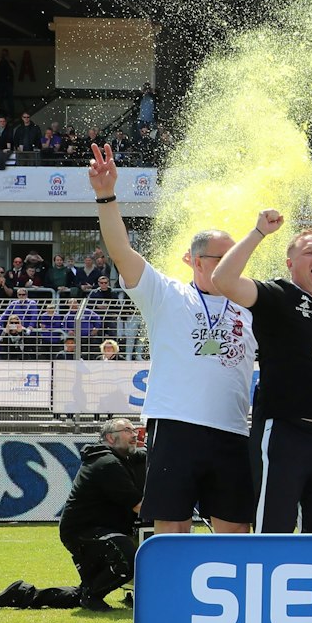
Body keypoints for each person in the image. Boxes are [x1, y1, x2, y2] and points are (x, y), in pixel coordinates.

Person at [89, 145, 254, 536]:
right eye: (220, 257)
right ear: (194, 260)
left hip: (232, 427)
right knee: (173, 523)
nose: (232, 264)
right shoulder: (166, 293)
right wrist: (106, 196)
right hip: (177, 423)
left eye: (236, 257)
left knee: (235, 528)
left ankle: (229, 596)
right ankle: (174, 595)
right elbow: (121, 251)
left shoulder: (250, 301)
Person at [210, 214, 312, 534]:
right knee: (274, 531)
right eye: (309, 252)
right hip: (285, 431)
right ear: (290, 264)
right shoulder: (278, 295)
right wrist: (258, 231)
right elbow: (224, 280)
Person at [0, 419, 144, 612]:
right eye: (128, 430)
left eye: (135, 430)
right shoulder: (107, 463)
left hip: (90, 531)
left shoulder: (118, 459)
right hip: (84, 532)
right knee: (129, 556)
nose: (134, 434)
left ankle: (22, 594)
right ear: (110, 437)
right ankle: (91, 597)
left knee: (80, 594)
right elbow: (138, 506)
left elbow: (146, 455)